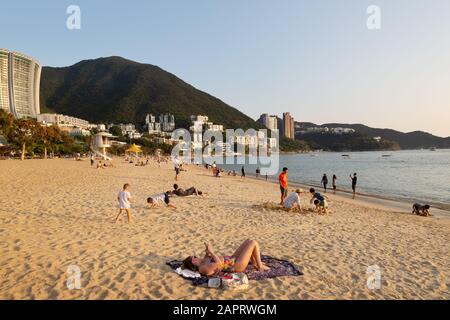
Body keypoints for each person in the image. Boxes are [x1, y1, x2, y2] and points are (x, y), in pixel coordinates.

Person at [182, 239, 270, 276]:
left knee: (248, 241)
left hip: (230, 259)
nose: (196, 257)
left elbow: (208, 258)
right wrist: (211, 252)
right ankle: (260, 266)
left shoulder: (202, 262)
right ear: (193, 261)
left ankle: (255, 263)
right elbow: (219, 264)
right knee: (253, 243)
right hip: (235, 265)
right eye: (194, 257)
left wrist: (207, 252)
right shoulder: (202, 268)